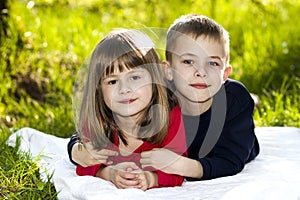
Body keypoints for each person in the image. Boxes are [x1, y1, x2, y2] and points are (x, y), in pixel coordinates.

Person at [68, 14, 259, 182]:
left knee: (244, 105)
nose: (200, 72)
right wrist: (78, 152)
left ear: (224, 73)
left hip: (231, 146)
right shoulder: (159, 94)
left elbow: (231, 161)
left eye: (213, 63)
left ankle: (253, 103)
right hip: (177, 153)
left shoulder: (234, 101)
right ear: (168, 70)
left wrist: (181, 166)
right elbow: (91, 129)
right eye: (188, 61)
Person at [72, 29, 187, 190]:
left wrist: (151, 178)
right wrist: (110, 174)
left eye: (135, 77)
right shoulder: (98, 120)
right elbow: (85, 163)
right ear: (99, 89)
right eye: (112, 82)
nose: (124, 89)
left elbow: (178, 170)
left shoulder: (170, 118)